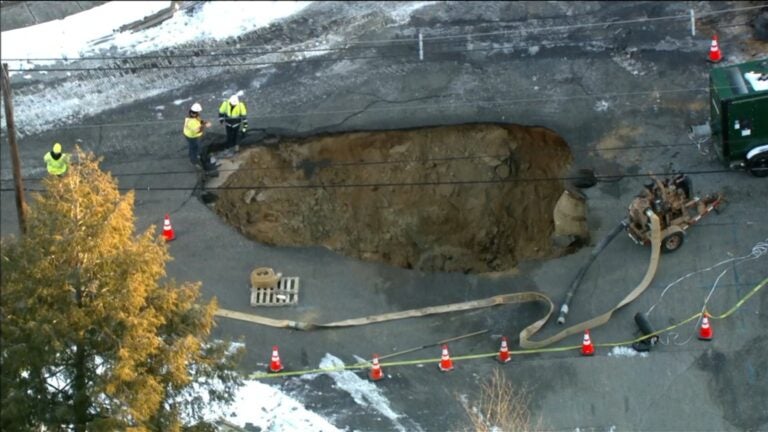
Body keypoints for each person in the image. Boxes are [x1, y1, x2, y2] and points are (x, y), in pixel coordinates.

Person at [182, 102, 212, 169]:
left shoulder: (192, 115)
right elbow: (197, 131)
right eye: (198, 112)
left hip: (190, 135)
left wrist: (204, 122)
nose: (199, 113)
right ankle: (194, 161)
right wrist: (205, 125)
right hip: (192, 136)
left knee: (194, 147)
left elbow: (199, 120)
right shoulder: (191, 121)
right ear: (195, 112)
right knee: (193, 148)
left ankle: (196, 157)